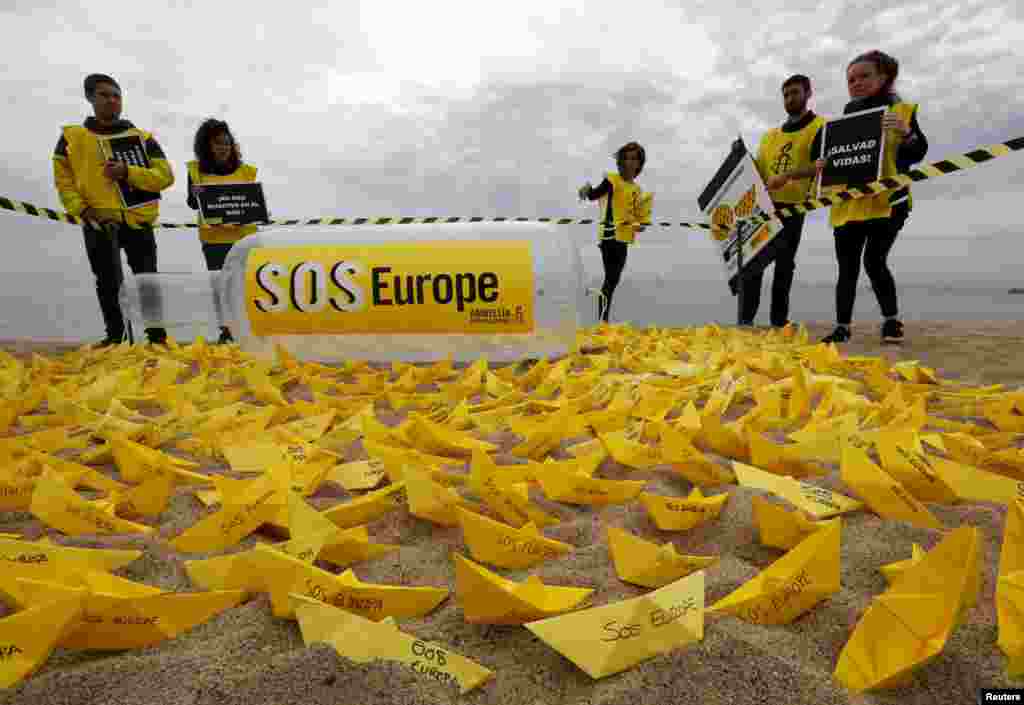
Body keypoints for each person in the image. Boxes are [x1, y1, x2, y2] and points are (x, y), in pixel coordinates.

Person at [53, 73, 175, 347]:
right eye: (104, 95)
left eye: (116, 95)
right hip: (97, 220)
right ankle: (115, 338)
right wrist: (81, 209)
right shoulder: (72, 137)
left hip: (138, 221)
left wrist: (127, 171)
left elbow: (165, 176)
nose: (111, 100)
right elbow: (63, 179)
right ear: (90, 98)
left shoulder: (142, 138)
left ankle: (158, 338)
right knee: (107, 282)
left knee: (148, 281)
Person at [816, 50, 928, 344]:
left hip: (889, 203)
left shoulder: (901, 112)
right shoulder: (839, 125)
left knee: (874, 261)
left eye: (864, 76)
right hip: (848, 205)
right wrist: (822, 164)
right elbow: (825, 158)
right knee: (847, 267)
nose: (856, 83)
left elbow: (917, 153)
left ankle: (891, 321)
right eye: (851, 79)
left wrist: (907, 134)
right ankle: (842, 327)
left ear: (885, 77)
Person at [743, 75, 826, 328]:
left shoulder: (821, 127)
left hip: (794, 207)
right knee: (754, 264)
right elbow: (758, 172)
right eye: (786, 94)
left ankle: (778, 321)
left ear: (808, 93)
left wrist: (789, 176)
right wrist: (741, 161)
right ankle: (746, 320)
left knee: (784, 265)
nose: (790, 98)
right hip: (764, 208)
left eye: (795, 93)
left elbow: (824, 166)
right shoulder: (769, 136)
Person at [186, 119, 259, 344]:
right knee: (221, 287)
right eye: (218, 143)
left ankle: (250, 328)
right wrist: (196, 193)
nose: (223, 147)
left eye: (227, 143)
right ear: (206, 145)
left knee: (245, 285)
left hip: (244, 238)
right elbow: (191, 202)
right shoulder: (195, 170)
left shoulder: (246, 171)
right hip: (214, 239)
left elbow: (254, 203)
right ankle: (227, 332)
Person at [577, 142, 653, 323]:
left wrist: (640, 224)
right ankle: (603, 322)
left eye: (634, 158)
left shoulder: (637, 189)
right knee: (610, 280)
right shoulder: (612, 180)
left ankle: (603, 320)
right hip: (609, 236)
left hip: (624, 238)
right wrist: (587, 190)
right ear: (620, 161)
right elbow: (594, 195)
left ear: (639, 163)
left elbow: (635, 216)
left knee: (613, 280)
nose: (630, 162)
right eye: (626, 158)